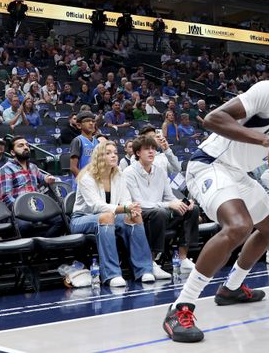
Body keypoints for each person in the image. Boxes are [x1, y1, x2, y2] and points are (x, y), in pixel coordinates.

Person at [163, 52, 269, 343]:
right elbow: (213, 118)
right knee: (239, 226)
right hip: (210, 162)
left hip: (240, 174)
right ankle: (180, 307)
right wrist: (263, 139)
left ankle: (231, 288)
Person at [71, 141, 155, 287]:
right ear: (98, 156)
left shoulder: (119, 174)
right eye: (108, 153)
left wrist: (131, 208)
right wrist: (124, 208)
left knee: (134, 216)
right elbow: (96, 206)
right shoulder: (86, 176)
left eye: (115, 153)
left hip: (111, 216)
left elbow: (126, 200)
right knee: (107, 216)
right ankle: (111, 274)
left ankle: (144, 270)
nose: (113, 156)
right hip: (82, 218)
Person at [123, 135, 199, 278]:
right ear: (138, 153)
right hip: (140, 214)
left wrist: (183, 203)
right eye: (147, 149)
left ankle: (183, 259)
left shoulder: (160, 170)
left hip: (160, 211)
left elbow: (169, 197)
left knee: (192, 210)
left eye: (153, 149)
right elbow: (138, 202)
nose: (151, 152)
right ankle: (151, 262)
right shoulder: (129, 173)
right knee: (159, 213)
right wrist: (169, 204)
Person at [0, 136, 64, 236]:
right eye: (21, 145)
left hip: (36, 206)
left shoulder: (33, 167)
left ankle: (43, 244)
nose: (25, 147)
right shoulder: (6, 169)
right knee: (25, 226)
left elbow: (43, 177)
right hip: (19, 210)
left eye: (27, 145)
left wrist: (47, 178)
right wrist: (21, 209)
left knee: (62, 220)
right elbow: (5, 196)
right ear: (12, 152)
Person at [69, 111, 98, 178]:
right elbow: (73, 167)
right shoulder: (78, 141)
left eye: (93, 121)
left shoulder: (97, 142)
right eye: (87, 121)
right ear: (79, 125)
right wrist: (84, 181)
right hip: (82, 183)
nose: (91, 123)